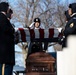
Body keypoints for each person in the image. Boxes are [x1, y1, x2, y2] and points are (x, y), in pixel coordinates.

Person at [0, 2, 15, 75]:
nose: (9, 9)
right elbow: (5, 29)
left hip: (6, 52)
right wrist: (13, 30)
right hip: (5, 53)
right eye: (8, 8)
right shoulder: (2, 18)